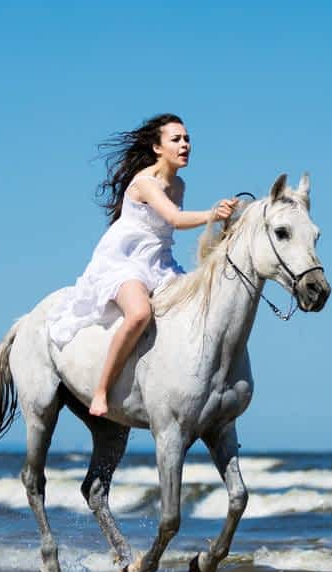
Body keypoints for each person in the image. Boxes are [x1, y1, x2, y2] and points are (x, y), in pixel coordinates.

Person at [47, 113, 239, 416]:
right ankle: (101, 390)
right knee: (139, 314)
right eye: (176, 139)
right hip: (124, 261)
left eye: (187, 138)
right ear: (158, 148)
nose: (185, 144)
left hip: (159, 262)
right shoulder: (146, 182)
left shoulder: (179, 184)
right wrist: (213, 213)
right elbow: (174, 220)